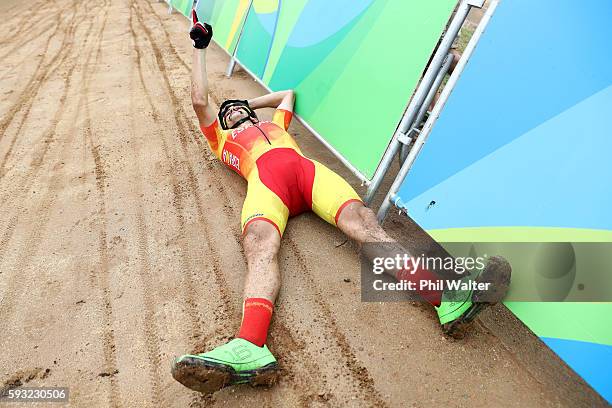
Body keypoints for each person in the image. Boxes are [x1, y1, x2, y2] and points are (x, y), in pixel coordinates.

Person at [171, 11, 511, 395]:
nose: (230, 111)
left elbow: (287, 95)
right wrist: (200, 48)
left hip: (308, 174)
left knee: (364, 224)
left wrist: (247, 102)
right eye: (226, 112)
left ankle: (446, 300)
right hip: (266, 187)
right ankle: (250, 345)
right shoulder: (219, 140)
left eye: (236, 108)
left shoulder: (275, 123)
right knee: (258, 247)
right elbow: (200, 100)